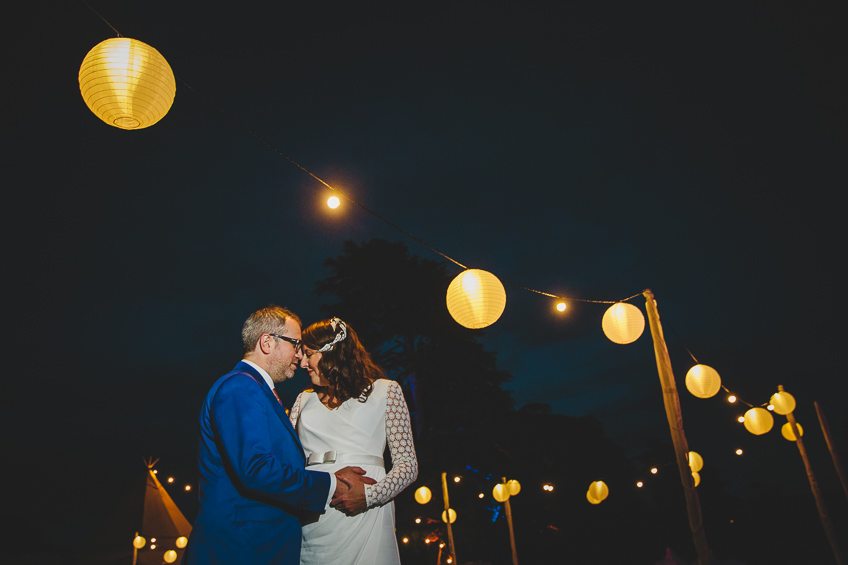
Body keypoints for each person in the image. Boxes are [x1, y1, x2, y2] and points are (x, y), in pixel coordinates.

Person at [182, 306, 375, 565]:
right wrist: (333, 484)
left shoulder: (257, 390)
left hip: (258, 545)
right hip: (240, 548)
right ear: (267, 342)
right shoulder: (240, 387)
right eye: (295, 344)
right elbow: (257, 469)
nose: (299, 355)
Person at [290, 317, 418, 565]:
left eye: (308, 354)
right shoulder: (302, 400)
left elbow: (408, 465)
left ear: (332, 352)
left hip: (367, 514)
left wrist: (370, 495)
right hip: (314, 516)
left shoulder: (386, 391)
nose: (303, 362)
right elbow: (288, 462)